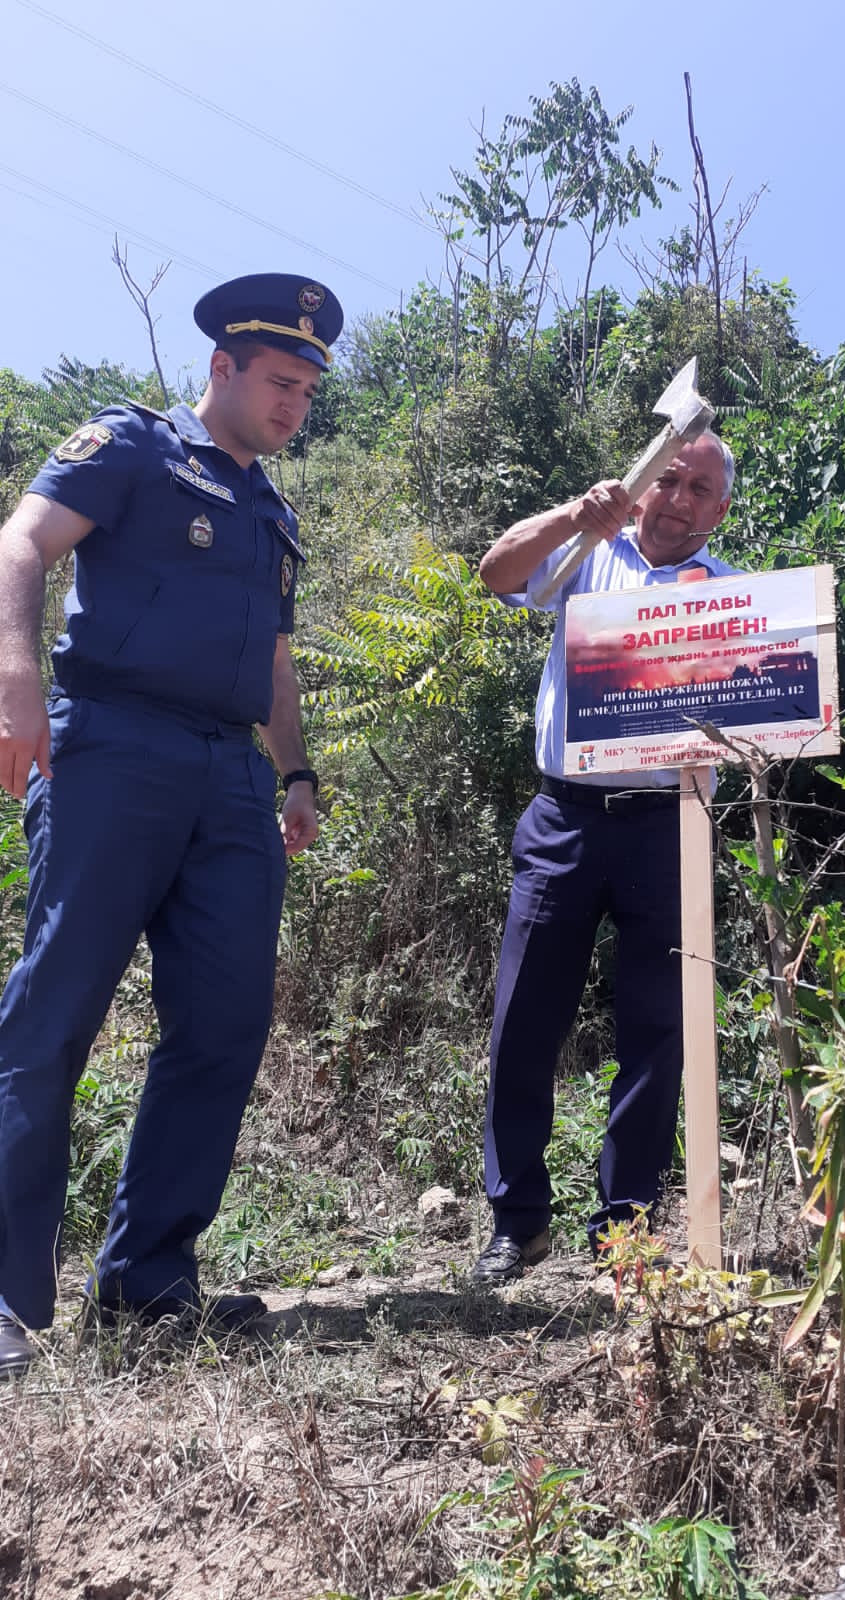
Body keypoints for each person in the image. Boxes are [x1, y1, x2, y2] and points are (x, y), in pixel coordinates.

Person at [0, 273, 343, 1377]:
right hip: (113, 744)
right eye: (280, 381)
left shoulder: (276, 513)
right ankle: (7, 1300)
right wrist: (14, 679)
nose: (294, 405)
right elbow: (22, 543)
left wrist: (296, 773)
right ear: (223, 367)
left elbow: (276, 658)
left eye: (309, 391)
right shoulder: (136, 446)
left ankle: (146, 1285)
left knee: (224, 1024)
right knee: (55, 1011)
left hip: (232, 779)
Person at [472, 431, 737, 1282]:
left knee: (658, 1034)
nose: (680, 499)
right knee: (523, 1020)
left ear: (721, 508)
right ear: (643, 484)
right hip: (566, 819)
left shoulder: (734, 592)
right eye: (670, 479)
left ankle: (625, 1230)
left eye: (700, 489)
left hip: (671, 826)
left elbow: (767, 712)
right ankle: (517, 1222)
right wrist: (571, 515)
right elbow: (497, 574)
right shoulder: (588, 552)